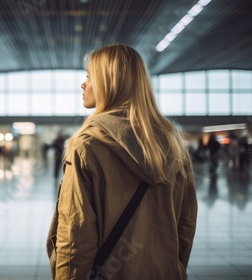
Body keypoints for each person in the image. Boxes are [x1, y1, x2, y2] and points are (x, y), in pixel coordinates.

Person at [46, 44, 197, 279]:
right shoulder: (174, 145)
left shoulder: (88, 145)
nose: (83, 84)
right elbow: (185, 224)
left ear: (109, 82)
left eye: (89, 76)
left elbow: (75, 234)